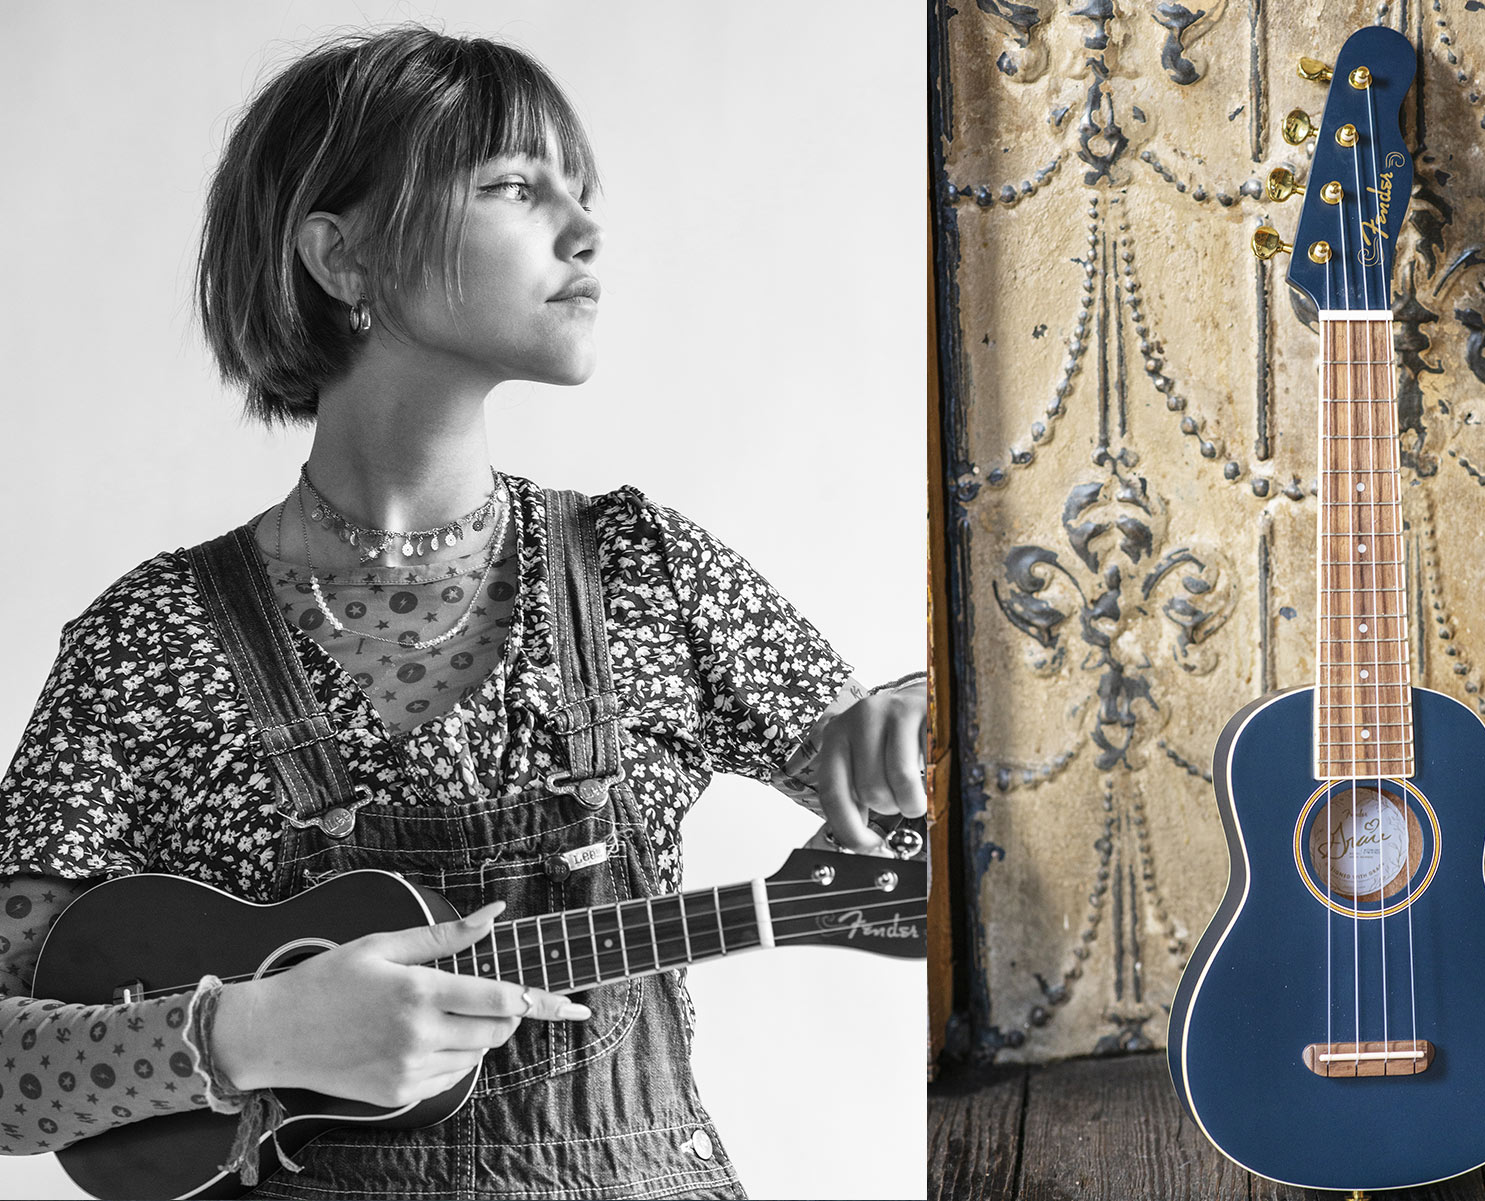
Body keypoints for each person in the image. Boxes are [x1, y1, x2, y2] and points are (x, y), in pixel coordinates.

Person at [0, 25, 924, 1200]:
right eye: (513, 187)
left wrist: (925, 715)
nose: (585, 233)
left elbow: (930, 865)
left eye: (582, 195)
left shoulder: (649, 572)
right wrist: (254, 1033)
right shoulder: (151, 643)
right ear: (344, 257)